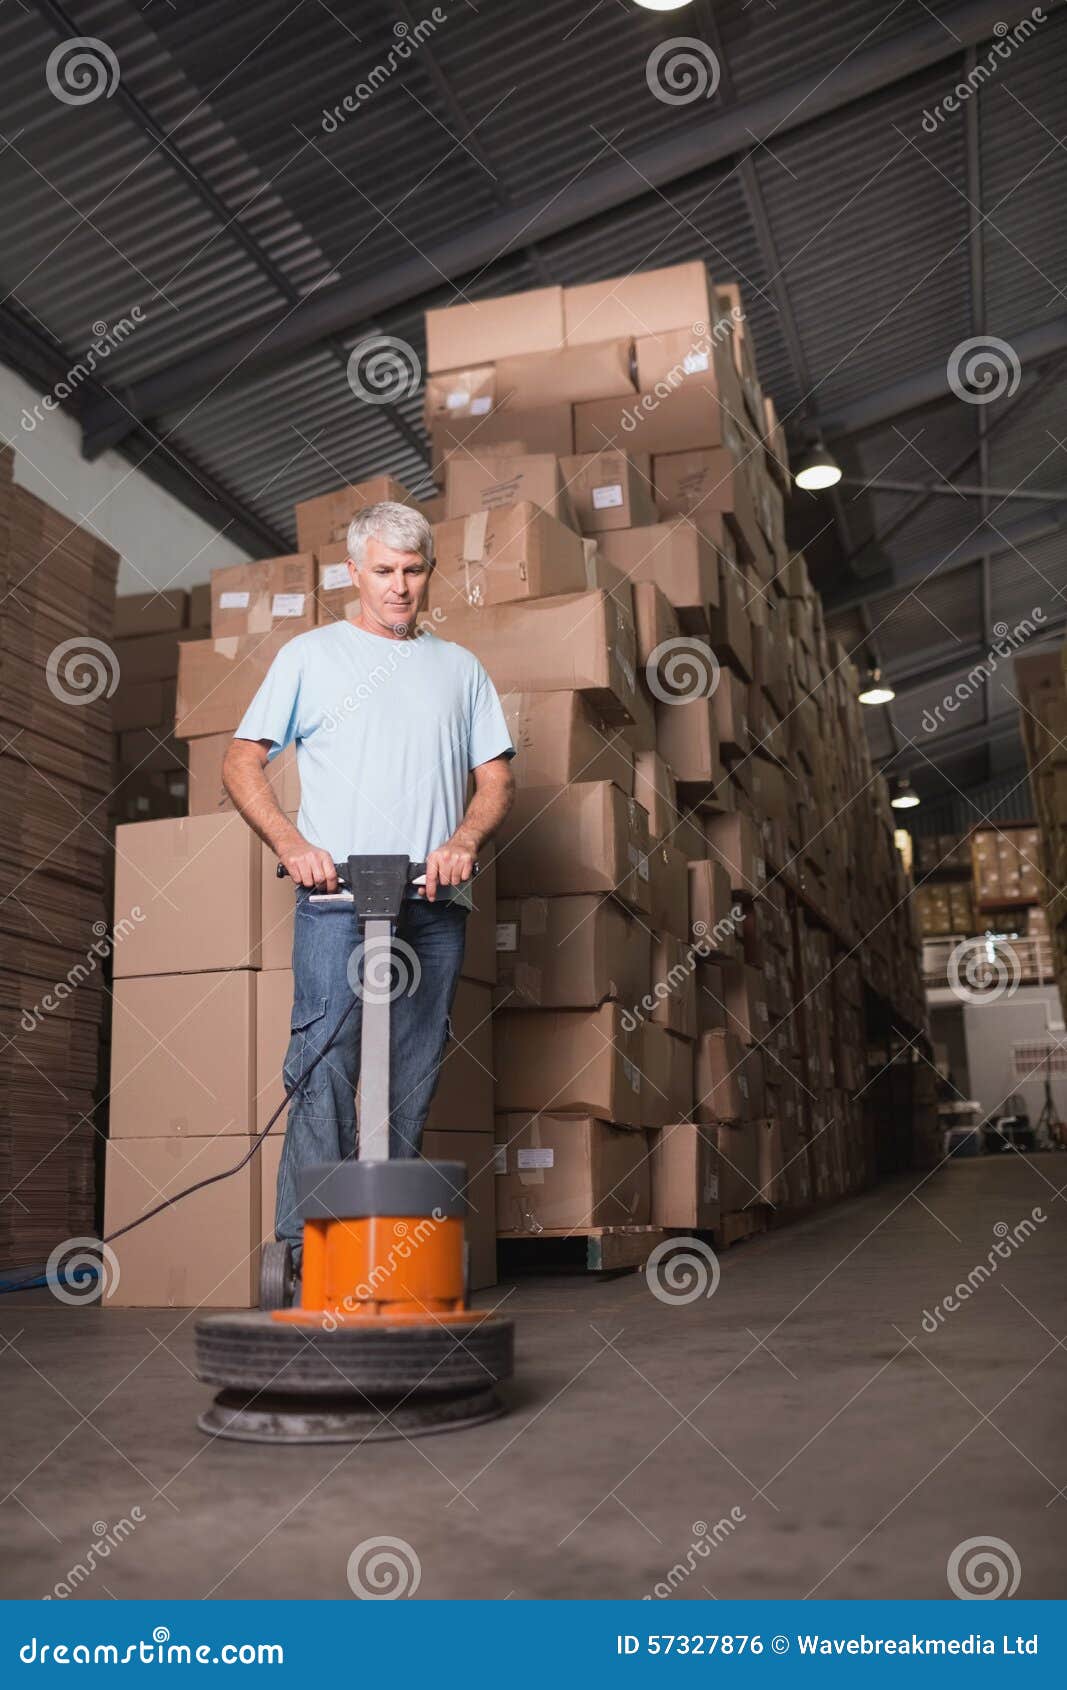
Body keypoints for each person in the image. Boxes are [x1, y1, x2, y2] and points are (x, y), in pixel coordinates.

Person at [222, 501, 515, 1266]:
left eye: (413, 571)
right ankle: (310, 1251)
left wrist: (462, 840)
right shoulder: (309, 657)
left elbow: (494, 779)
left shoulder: (461, 668)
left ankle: (387, 1253)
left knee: (412, 1075)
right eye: (383, 571)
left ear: (430, 572)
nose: (399, 587)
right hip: (336, 901)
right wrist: (293, 841)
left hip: (431, 902)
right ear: (353, 573)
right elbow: (240, 759)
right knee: (322, 1067)